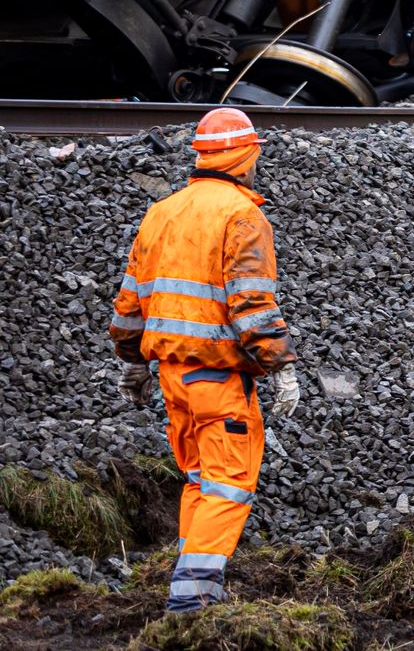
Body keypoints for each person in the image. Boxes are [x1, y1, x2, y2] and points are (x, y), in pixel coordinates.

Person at [108, 108, 302, 614]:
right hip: (217, 378)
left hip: (172, 377)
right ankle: (191, 602)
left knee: (199, 479)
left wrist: (132, 359)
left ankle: (190, 581)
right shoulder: (242, 216)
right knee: (229, 484)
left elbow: (131, 299)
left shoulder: (163, 212)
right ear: (247, 157)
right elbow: (251, 304)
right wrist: (281, 365)